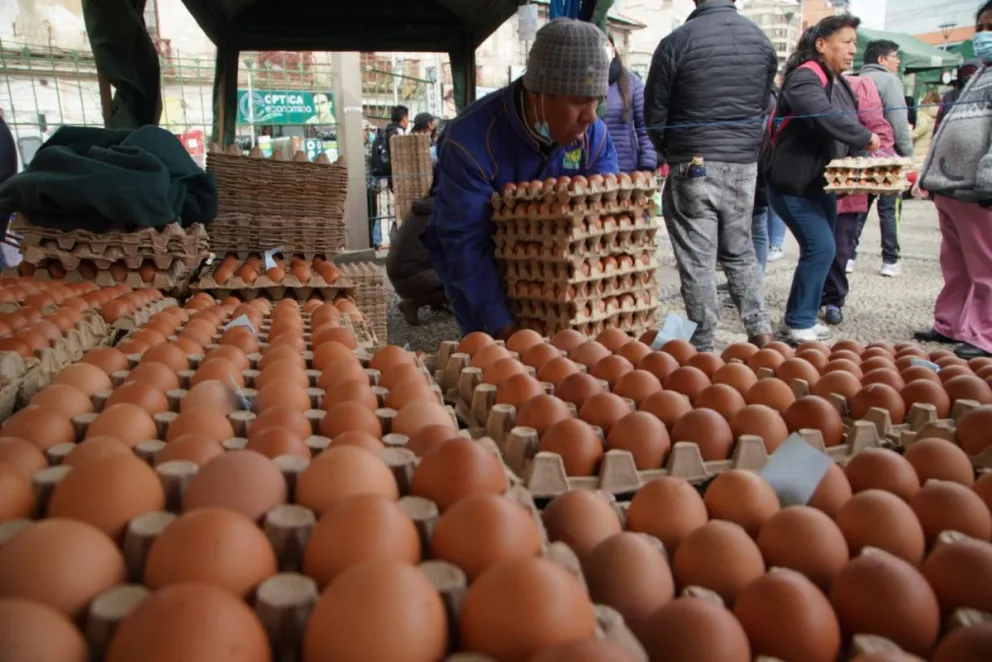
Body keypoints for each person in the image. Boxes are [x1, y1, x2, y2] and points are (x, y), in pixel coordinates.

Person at [424, 18, 618, 340]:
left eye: (597, 99)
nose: (591, 115)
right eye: (578, 101)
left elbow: (603, 223)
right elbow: (466, 244)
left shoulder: (593, 137)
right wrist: (505, 327)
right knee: (502, 369)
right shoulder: (472, 141)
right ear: (537, 95)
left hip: (562, 280)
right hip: (484, 270)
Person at [644, 0, 776, 351]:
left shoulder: (677, 41)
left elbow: (655, 114)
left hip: (692, 162)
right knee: (741, 252)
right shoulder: (761, 41)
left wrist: (672, 152)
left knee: (697, 261)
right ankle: (762, 335)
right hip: (743, 164)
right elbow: (765, 106)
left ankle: (702, 348)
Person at [762, 16, 880, 344]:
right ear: (821, 44)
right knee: (821, 246)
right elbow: (823, 116)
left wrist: (861, 159)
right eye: (845, 42)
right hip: (791, 185)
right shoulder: (804, 78)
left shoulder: (838, 80)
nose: (851, 50)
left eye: (855, 43)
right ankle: (798, 320)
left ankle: (803, 316)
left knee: (824, 252)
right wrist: (863, 135)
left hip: (820, 183)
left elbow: (845, 123)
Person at [913, 1, 992, 359]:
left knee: (985, 267)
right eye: (981, 28)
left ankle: (984, 335)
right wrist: (931, 175)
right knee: (955, 263)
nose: (984, 35)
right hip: (952, 188)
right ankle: (951, 324)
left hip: (979, 189)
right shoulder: (980, 72)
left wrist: (989, 180)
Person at [821, 70, 895, 326]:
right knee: (818, 246)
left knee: (840, 245)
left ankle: (833, 299)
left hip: (848, 180)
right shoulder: (808, 79)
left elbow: (879, 129)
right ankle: (813, 297)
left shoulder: (860, 85)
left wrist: (885, 160)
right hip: (813, 178)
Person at [850, 40, 911, 278]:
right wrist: (906, 153)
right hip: (885, 156)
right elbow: (898, 121)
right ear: (882, 60)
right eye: (895, 56)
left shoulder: (851, 80)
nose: (898, 62)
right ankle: (890, 260)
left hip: (858, 154)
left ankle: (848, 256)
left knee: (858, 208)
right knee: (889, 210)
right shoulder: (889, 81)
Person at [387, 195, 448, 326]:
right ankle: (412, 303)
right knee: (457, 284)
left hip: (400, 269)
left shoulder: (426, 208)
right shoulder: (440, 212)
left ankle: (436, 302)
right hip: (409, 274)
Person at [603, 36, 657, 173]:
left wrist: (647, 166)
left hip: (625, 170)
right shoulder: (582, 85)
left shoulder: (632, 82)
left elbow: (645, 129)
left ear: (613, 49)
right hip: (589, 171)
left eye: (607, 45)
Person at [912, 91, 939, 172]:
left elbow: (922, 127)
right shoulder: (939, 113)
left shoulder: (923, 112)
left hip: (920, 148)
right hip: (931, 147)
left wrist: (910, 135)